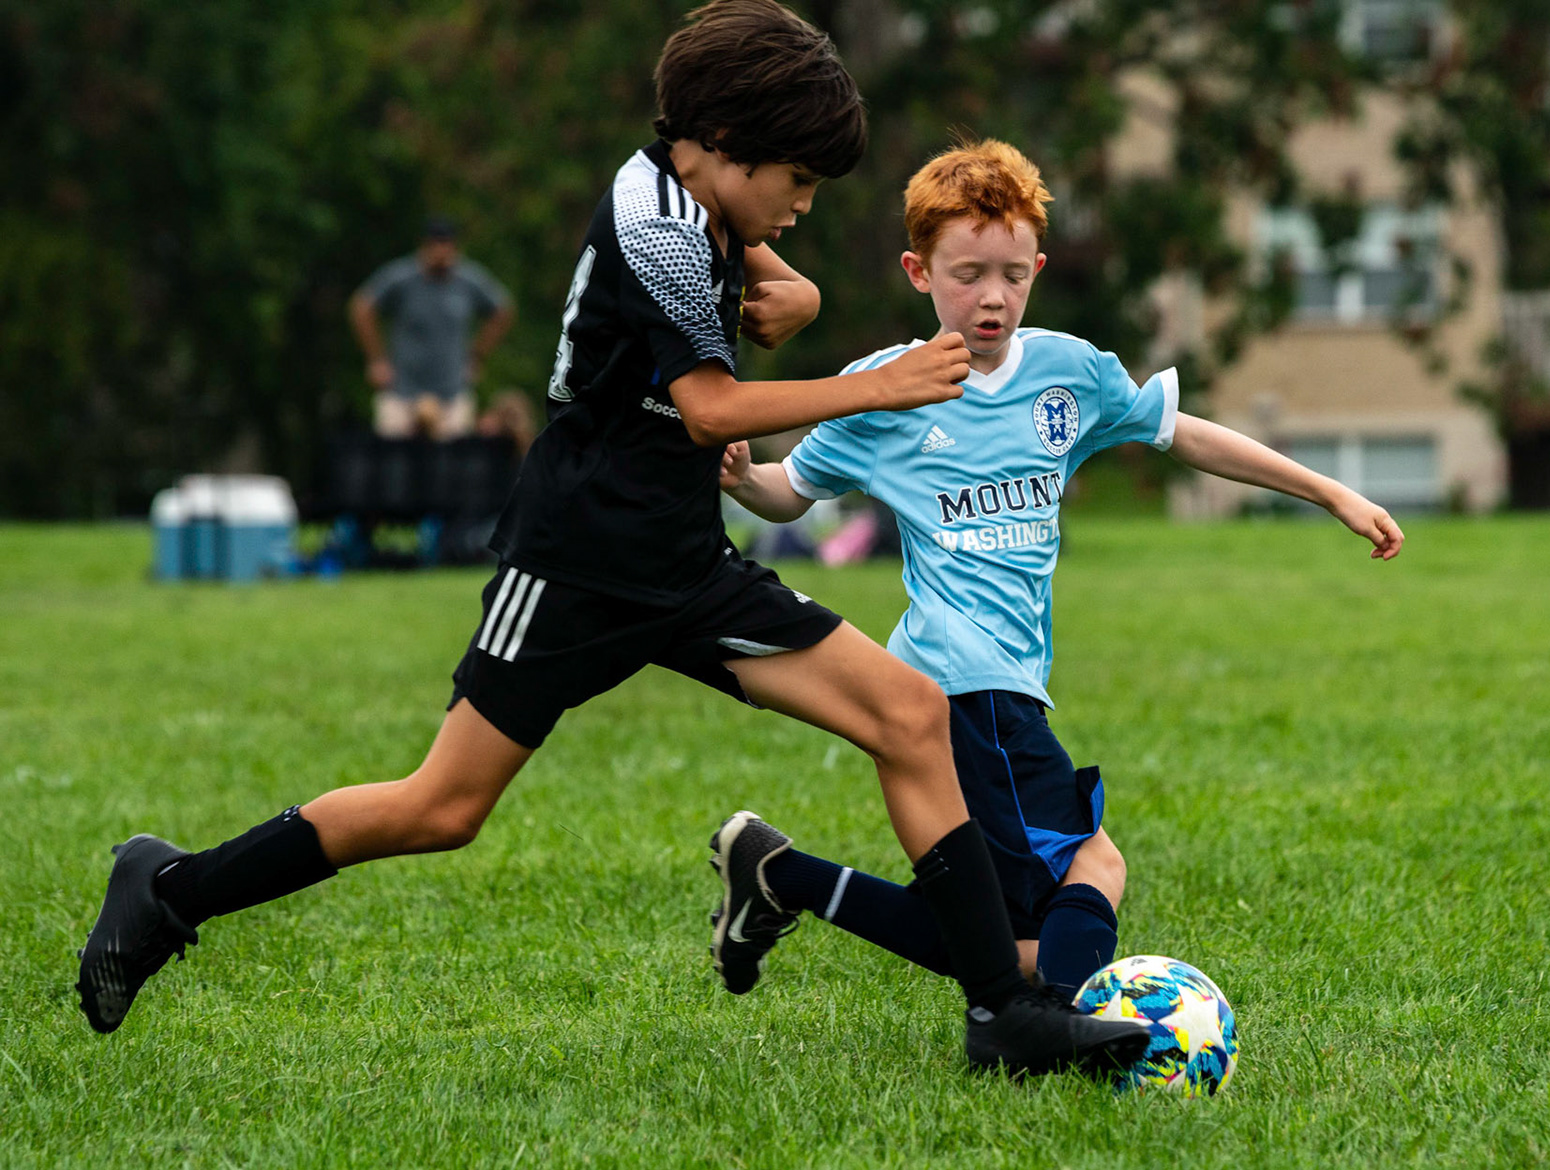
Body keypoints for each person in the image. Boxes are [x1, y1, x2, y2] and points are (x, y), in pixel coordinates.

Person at [75, 3, 1144, 1081]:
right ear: (727, 145)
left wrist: (798, 289)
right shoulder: (656, 227)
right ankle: (169, 889)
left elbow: (761, 278)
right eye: (798, 183)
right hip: (578, 562)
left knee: (908, 712)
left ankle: (1004, 1011)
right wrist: (881, 382)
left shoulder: (706, 196)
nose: (804, 206)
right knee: (441, 806)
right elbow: (715, 409)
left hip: (683, 557)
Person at [712, 139, 1405, 1000]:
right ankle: (1086, 1030)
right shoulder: (887, 389)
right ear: (918, 272)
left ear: (1038, 267)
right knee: (1094, 863)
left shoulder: (1068, 373)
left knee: (1003, 938)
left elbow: (1177, 431)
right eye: (967, 274)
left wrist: (1326, 490)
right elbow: (796, 491)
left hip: (1006, 687)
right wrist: (748, 481)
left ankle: (785, 878)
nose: (992, 296)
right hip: (966, 689)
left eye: (1012, 273)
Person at [350, 216, 517, 440]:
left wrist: (477, 356)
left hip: (452, 391)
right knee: (394, 462)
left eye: (446, 245)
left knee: (453, 465)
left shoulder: (468, 280)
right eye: (436, 244)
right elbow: (361, 306)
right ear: (425, 246)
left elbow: (503, 310)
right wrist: (376, 359)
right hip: (402, 390)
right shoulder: (402, 277)